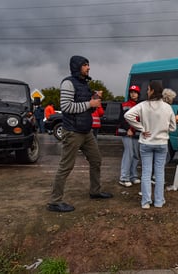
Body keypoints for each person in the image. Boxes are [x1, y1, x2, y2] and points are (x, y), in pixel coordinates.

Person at [47, 55, 113, 213]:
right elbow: (66, 107)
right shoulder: (68, 83)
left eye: (88, 65)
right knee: (66, 166)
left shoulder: (84, 84)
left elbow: (87, 109)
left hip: (86, 131)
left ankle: (95, 191)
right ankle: (55, 202)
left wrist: (94, 101)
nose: (88, 67)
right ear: (77, 66)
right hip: (72, 132)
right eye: (85, 65)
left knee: (96, 160)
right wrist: (89, 103)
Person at [125, 81, 176, 209]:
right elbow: (173, 127)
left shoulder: (143, 105)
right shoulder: (167, 107)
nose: (146, 91)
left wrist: (141, 128)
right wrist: (164, 129)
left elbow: (128, 115)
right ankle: (159, 201)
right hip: (161, 143)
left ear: (152, 90)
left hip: (146, 142)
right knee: (159, 173)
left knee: (146, 173)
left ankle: (146, 202)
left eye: (148, 89)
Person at [118, 85, 141, 187]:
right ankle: (124, 178)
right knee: (129, 153)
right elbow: (121, 119)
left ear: (138, 94)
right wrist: (128, 129)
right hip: (126, 132)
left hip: (136, 133)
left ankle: (133, 176)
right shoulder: (124, 105)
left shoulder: (141, 106)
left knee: (136, 154)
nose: (133, 94)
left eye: (135, 92)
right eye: (131, 92)